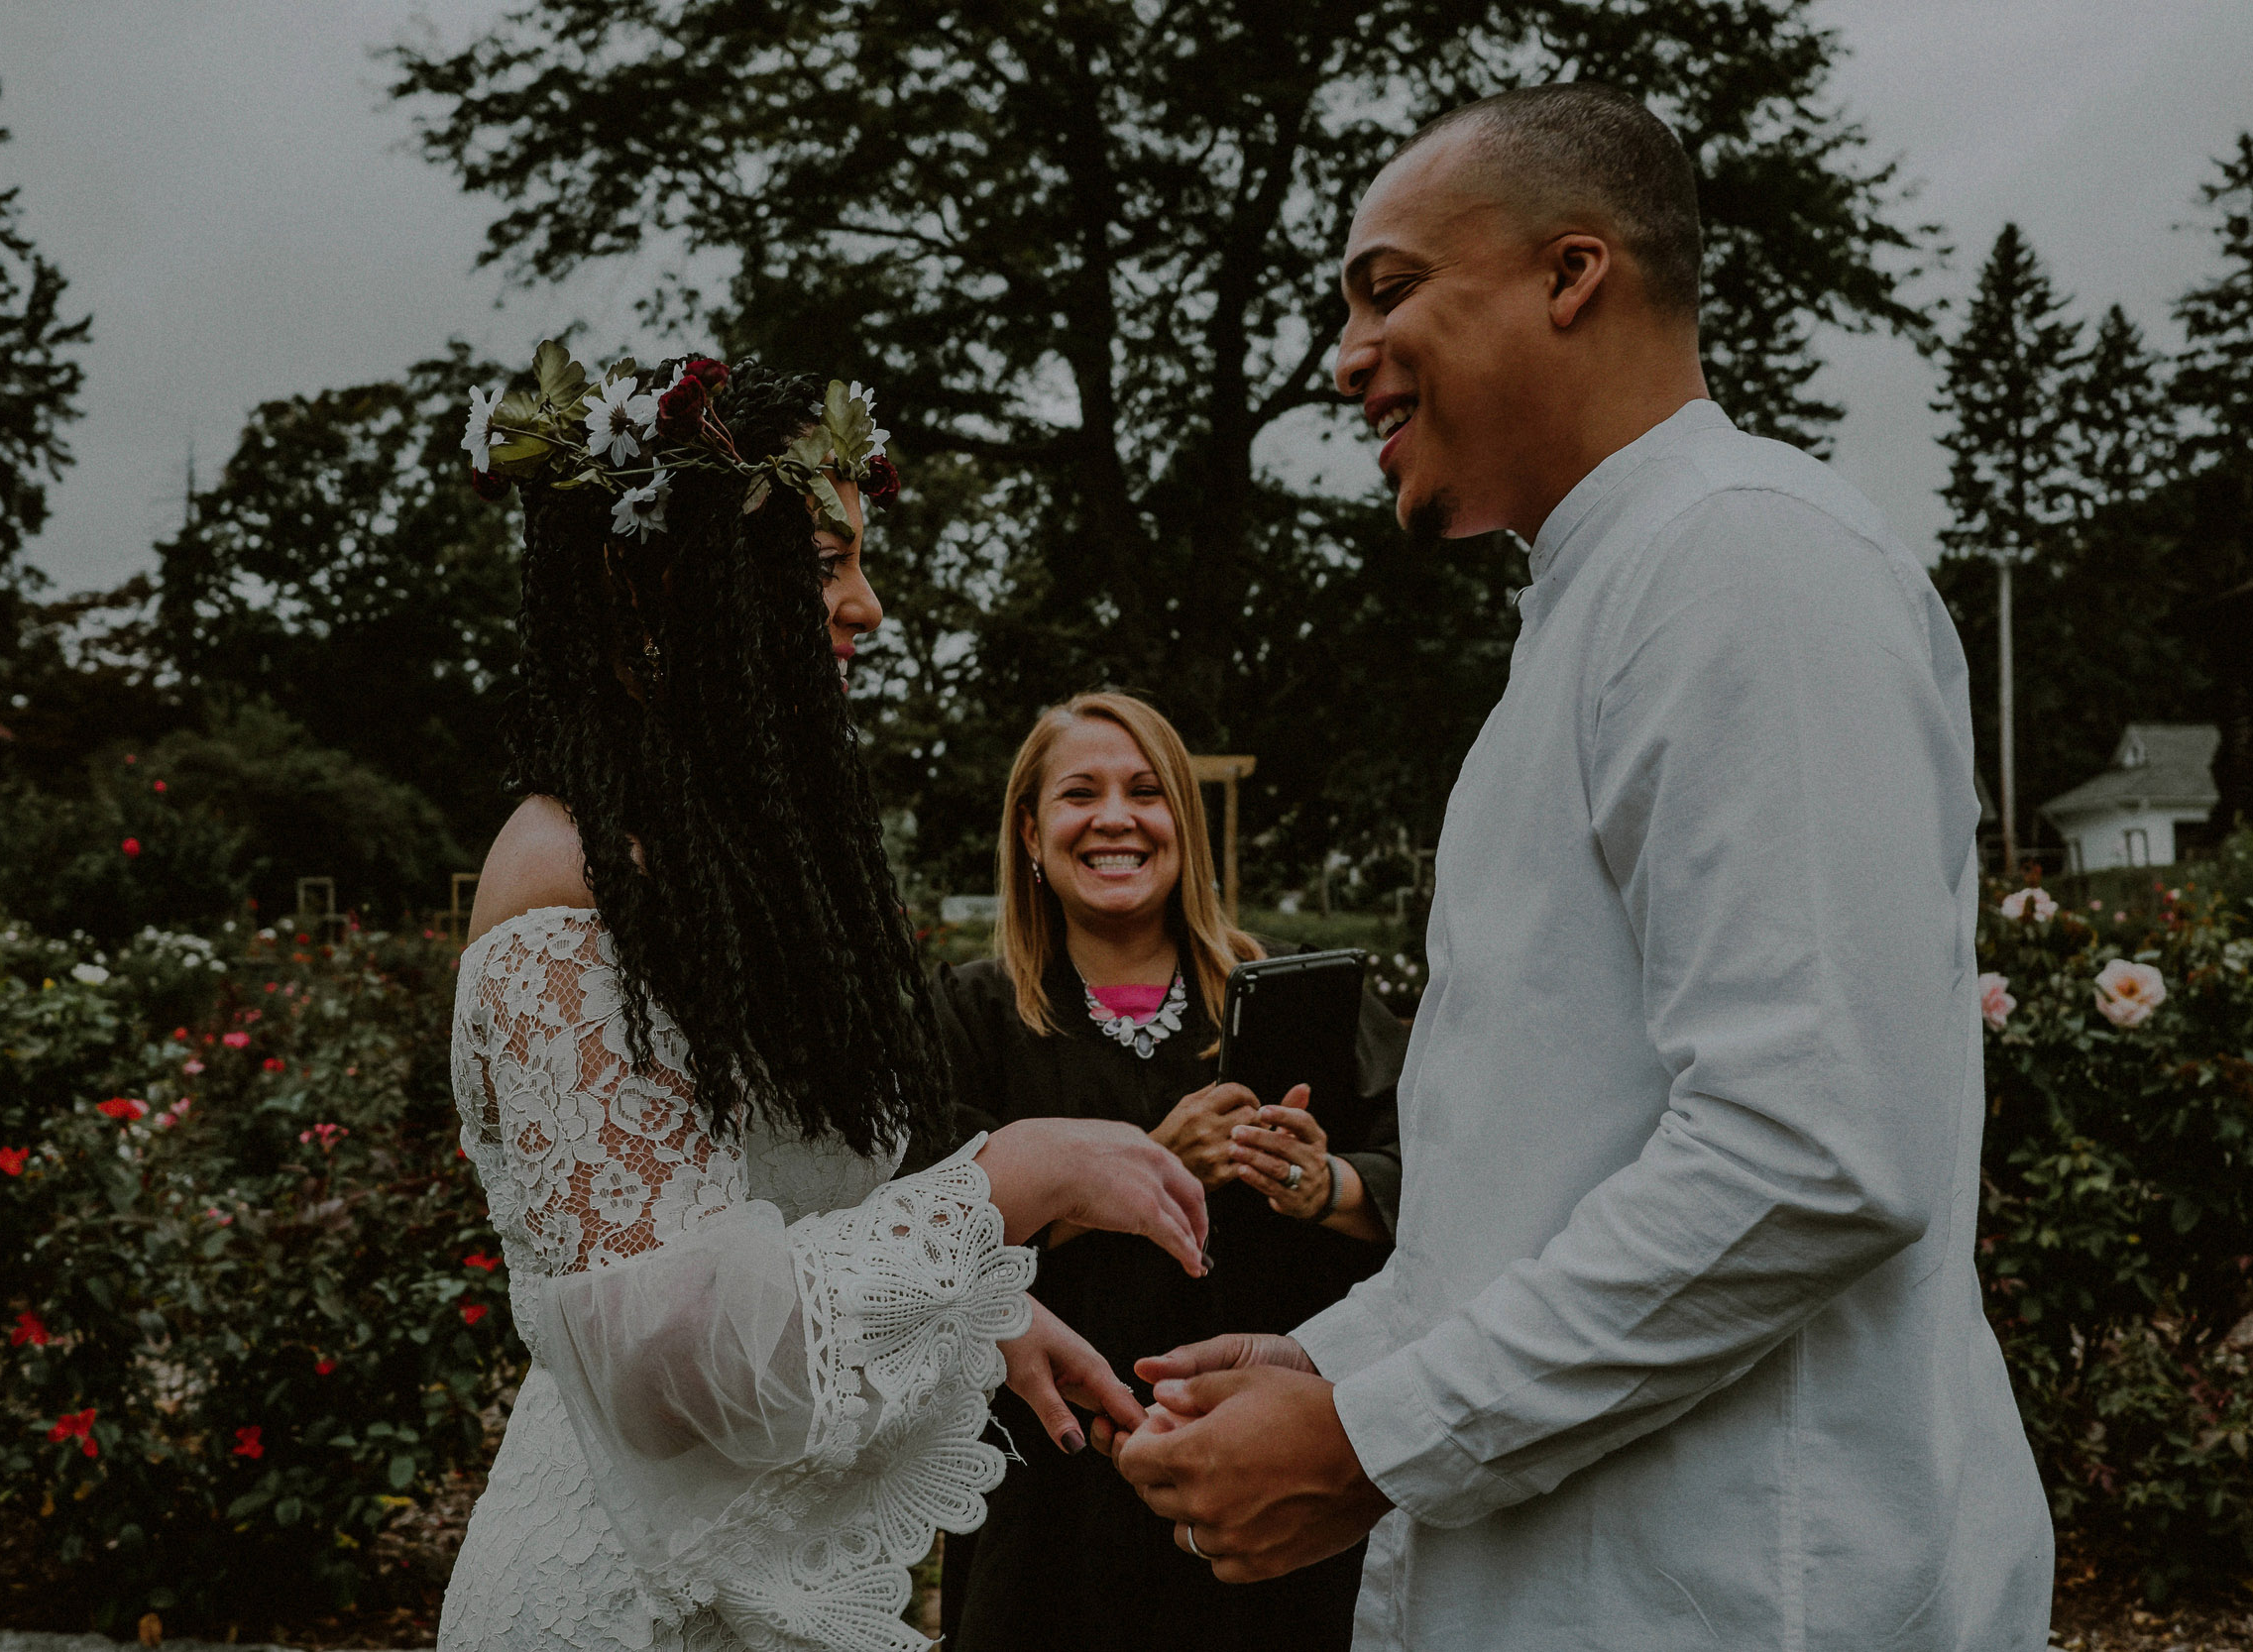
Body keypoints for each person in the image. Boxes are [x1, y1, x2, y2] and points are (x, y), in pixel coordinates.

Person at [1110, 84, 2056, 1650]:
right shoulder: (1600, 610)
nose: (1344, 356)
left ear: (1572, 273)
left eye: (1389, 286)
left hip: (1749, 1589)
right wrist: (1341, 1361)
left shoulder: (1745, 562)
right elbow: (1534, 1178)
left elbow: (1810, 1147)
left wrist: (1378, 1435)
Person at [436, 350, 1210, 1652]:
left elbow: (787, 1217)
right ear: (664, 578)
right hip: (625, 1610)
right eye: (827, 561)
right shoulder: (562, 870)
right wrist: (1002, 1180)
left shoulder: (717, 862)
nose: (871, 605)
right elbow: (664, 1359)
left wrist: (980, 1307)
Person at [929, 691, 1408, 1652]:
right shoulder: (973, 1014)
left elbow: (1444, 1169)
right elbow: (918, 1227)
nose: (1115, 815)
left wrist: (1333, 1186)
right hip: (1053, 1491)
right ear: (1032, 829)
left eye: (1146, 790)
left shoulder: (1299, 993)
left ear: (1181, 822)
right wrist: (1137, 1165)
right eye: (1080, 793)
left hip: (1268, 1487)